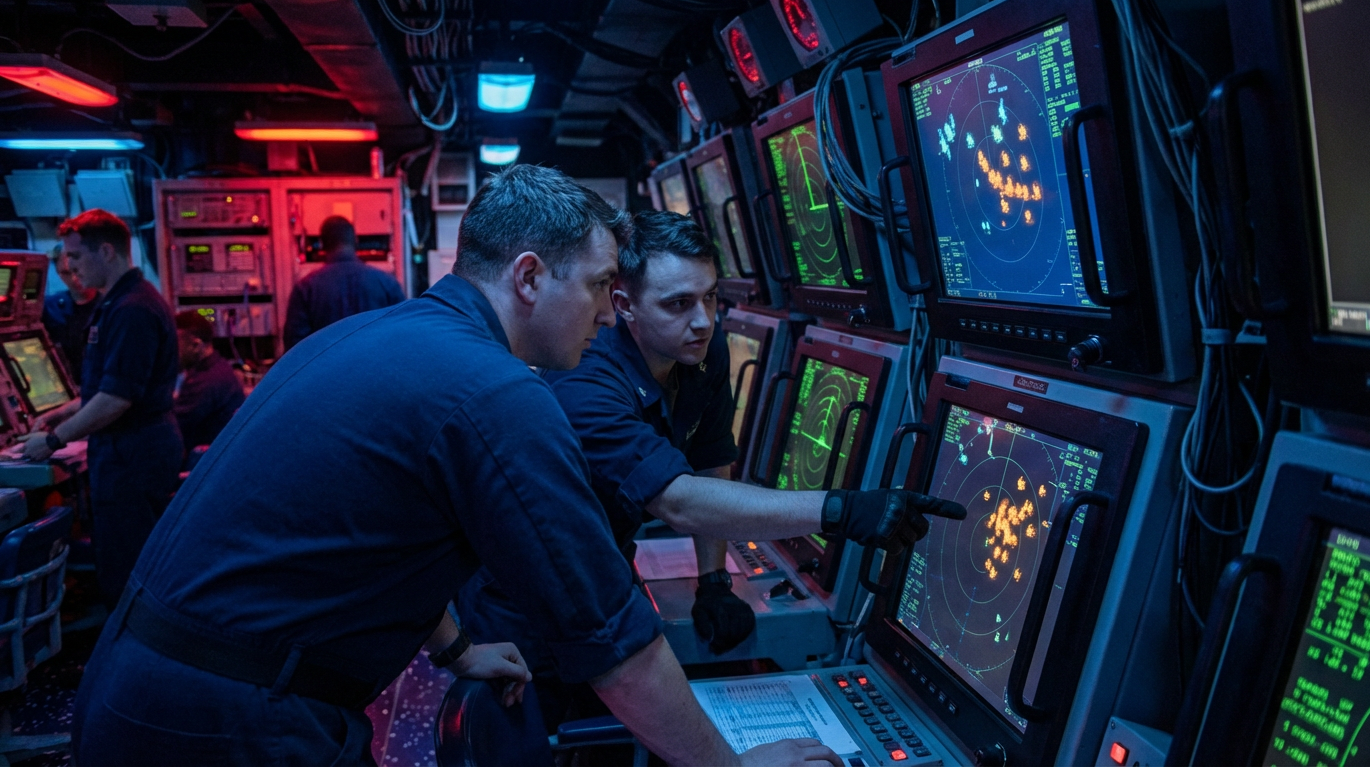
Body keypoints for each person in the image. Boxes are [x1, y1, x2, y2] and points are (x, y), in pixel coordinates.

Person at [70, 165, 860, 766]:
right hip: (224, 720)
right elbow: (618, 649)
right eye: (595, 286)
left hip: (143, 683)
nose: (602, 310)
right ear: (526, 277)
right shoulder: (496, 396)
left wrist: (453, 648)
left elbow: (377, 542)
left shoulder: (379, 336)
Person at [458, 209, 968, 730]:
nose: (703, 320)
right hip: (527, 603)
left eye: (710, 296)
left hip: (602, 565)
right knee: (554, 731)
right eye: (678, 304)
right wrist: (841, 510)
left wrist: (714, 580)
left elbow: (710, 457)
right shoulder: (585, 381)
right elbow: (677, 500)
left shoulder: (701, 349)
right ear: (624, 305)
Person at [19, 209, 183, 611]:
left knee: (128, 570)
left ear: (106, 252)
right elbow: (108, 388)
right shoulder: (122, 303)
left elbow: (118, 399)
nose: (70, 268)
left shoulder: (131, 309)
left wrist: (55, 439)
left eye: (75, 257)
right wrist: (67, 411)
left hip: (132, 455)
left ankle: (126, 663)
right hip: (132, 451)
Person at [282, 215, 405, 350]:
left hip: (327, 370)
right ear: (356, 241)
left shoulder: (306, 288)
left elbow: (295, 346)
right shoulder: (386, 283)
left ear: (322, 244)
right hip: (376, 368)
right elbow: (402, 334)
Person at [172, 310, 246, 455]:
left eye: (176, 346)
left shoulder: (206, 381)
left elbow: (174, 425)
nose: (171, 353)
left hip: (207, 460)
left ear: (196, 345)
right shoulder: (218, 367)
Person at [41, 244, 100, 380]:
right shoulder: (49, 307)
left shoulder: (111, 305)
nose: (74, 279)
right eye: (66, 273)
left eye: (77, 270)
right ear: (57, 271)